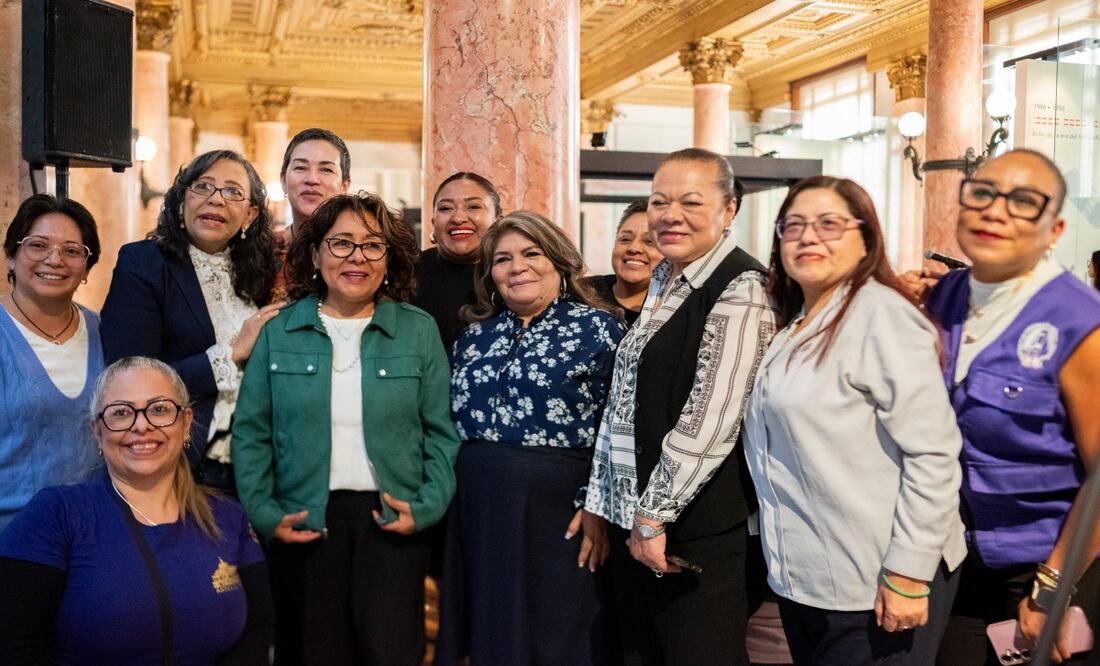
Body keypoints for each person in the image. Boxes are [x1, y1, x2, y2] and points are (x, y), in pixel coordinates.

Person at [742, 176, 966, 665]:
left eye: (829, 224)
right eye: (793, 225)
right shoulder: (795, 323)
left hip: (878, 578)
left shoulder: (881, 316)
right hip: (812, 580)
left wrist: (908, 572)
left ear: (866, 239)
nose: (807, 236)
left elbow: (933, 454)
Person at [233, 193, 460, 665]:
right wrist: (266, 514)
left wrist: (427, 507)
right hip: (306, 525)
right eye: (340, 243)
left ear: (389, 258)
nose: (357, 257)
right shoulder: (282, 329)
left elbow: (441, 432)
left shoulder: (417, 330)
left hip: (392, 523)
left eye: (372, 245)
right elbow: (251, 431)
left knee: (392, 653)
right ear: (315, 253)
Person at [583, 147, 776, 665]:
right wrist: (607, 504)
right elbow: (624, 404)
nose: (670, 215)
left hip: (693, 531)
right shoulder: (668, 278)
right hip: (643, 524)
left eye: (691, 202)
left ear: (729, 209)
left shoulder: (743, 288)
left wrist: (651, 515)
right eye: (658, 201)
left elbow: (711, 420)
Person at [927, 149, 1100, 665]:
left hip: (1053, 567)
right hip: (955, 557)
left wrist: (1052, 588)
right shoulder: (944, 300)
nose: (996, 211)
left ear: (1054, 229)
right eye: (982, 193)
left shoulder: (1080, 321)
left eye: (1024, 202)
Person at [436, 210, 624, 666]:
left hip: (560, 508)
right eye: (502, 259)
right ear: (491, 274)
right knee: (490, 628)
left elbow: (618, 427)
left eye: (530, 253)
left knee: (558, 631)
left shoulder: (600, 328)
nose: (516, 266)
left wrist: (597, 504)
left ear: (558, 262)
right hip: (477, 506)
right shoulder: (473, 336)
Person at [0, 356, 273, 663]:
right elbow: (15, 649)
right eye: (121, 413)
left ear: (185, 423)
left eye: (159, 409)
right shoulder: (55, 515)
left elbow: (260, 628)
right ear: (97, 432)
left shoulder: (228, 515)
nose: (141, 425)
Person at [100, 150, 282, 491]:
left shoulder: (262, 272)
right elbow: (128, 379)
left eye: (232, 191)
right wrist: (230, 355)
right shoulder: (143, 263)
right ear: (182, 199)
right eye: (203, 186)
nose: (215, 199)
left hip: (261, 464)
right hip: (187, 464)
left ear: (250, 214)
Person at [0, 195, 103, 530]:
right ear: (11, 257)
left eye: (72, 251)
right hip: (12, 536)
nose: (54, 259)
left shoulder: (104, 330)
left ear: (86, 268)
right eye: (38, 245)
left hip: (91, 532)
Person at [413, 171, 502, 349]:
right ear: (433, 221)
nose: (458, 218)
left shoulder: (514, 275)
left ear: (498, 221)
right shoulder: (408, 271)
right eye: (445, 208)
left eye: (474, 207)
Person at [273, 128, 353, 298]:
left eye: (326, 170)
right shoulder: (261, 249)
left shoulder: (361, 252)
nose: (312, 179)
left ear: (344, 186)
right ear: (283, 182)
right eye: (301, 167)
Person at [586, 198, 664, 326]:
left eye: (649, 241)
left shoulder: (675, 308)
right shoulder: (582, 292)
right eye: (625, 239)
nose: (634, 248)